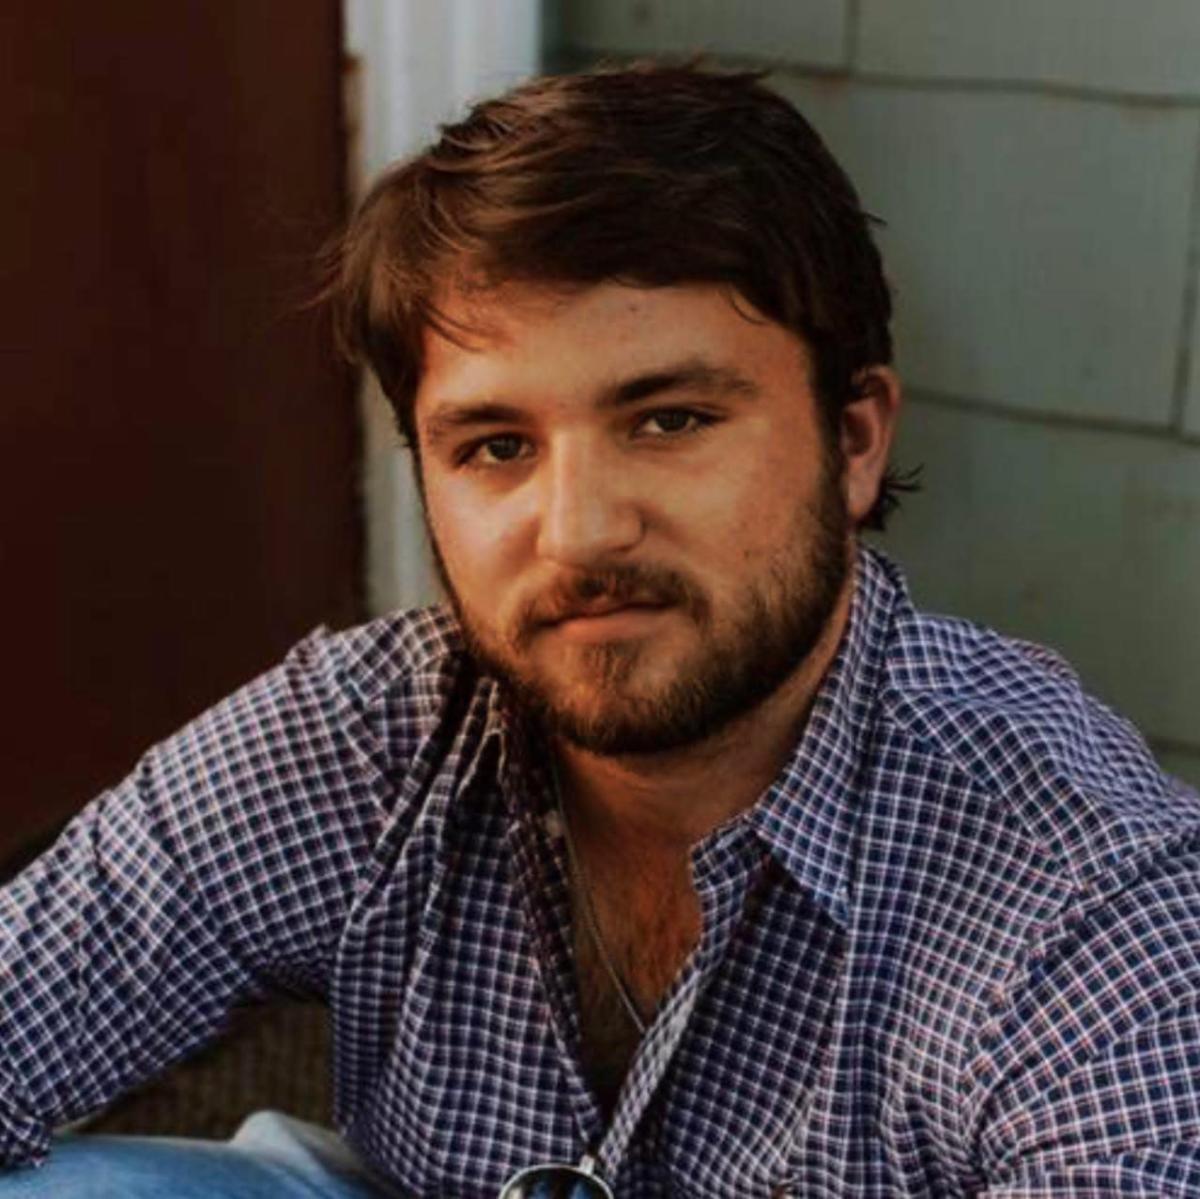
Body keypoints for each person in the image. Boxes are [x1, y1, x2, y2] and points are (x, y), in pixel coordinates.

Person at [2, 60, 1199, 1199]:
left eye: (669, 420)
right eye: (496, 446)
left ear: (853, 441)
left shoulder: (1089, 896)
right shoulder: (374, 736)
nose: (577, 532)